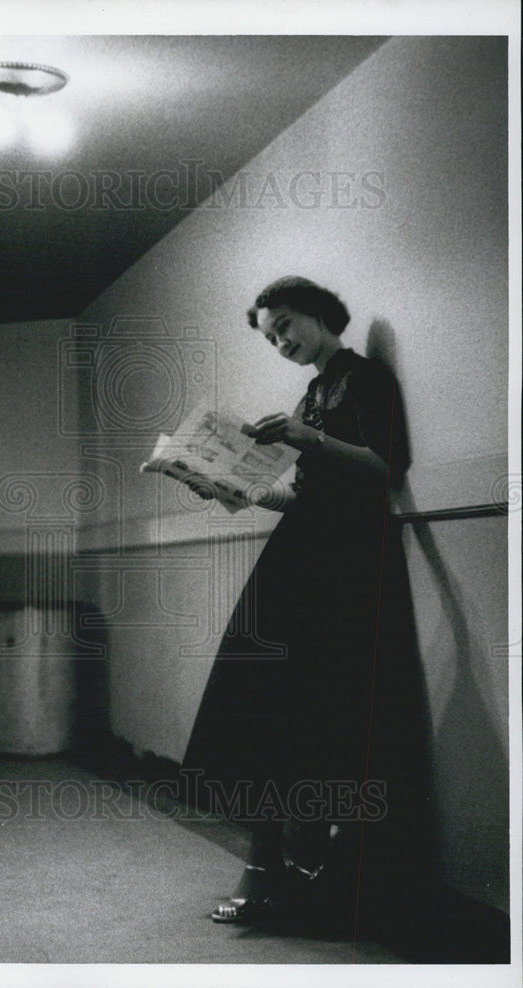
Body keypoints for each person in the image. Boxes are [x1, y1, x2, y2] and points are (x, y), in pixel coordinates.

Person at [181, 276, 428, 927]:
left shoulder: (363, 378)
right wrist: (229, 487)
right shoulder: (315, 390)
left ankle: (301, 876)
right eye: (270, 335)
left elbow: (386, 467)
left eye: (285, 324)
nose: (280, 340)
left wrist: (302, 435)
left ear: (318, 314)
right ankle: (273, 871)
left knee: (320, 714)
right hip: (306, 553)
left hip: (349, 562)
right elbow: (302, 493)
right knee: (268, 707)